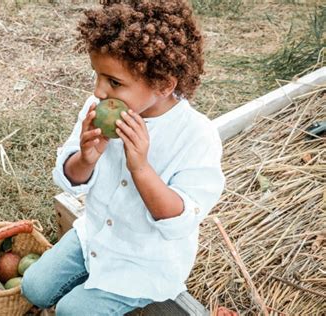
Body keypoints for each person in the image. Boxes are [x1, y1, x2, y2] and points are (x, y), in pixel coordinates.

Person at [21, 1, 225, 315]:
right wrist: (86, 159)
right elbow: (70, 178)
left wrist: (141, 168)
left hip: (143, 264)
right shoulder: (99, 107)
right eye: (98, 76)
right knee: (32, 286)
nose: (99, 91)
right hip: (96, 238)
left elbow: (180, 220)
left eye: (114, 82)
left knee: (70, 312)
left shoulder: (196, 136)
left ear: (164, 84)